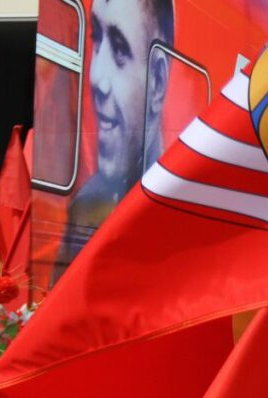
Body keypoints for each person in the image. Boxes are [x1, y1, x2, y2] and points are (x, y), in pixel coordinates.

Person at [51, 0, 173, 284]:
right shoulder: (84, 206)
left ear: (157, 82)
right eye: (96, 37)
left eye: (119, 50)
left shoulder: (183, 214)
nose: (96, 78)